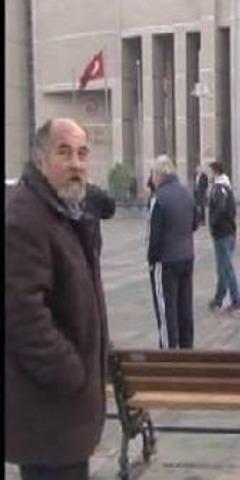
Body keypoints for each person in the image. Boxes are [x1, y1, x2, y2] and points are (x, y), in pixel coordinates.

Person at [5, 118, 109, 480]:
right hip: (47, 416)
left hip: (64, 420)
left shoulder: (65, 212)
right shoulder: (25, 218)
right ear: (41, 159)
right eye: (64, 152)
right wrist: (71, 372)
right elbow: (22, 314)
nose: (76, 164)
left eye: (82, 153)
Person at [147, 154, 197, 349]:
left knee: (166, 310)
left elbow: (153, 235)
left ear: (158, 175)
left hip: (165, 260)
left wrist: (151, 261)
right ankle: (187, 348)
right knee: (185, 307)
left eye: (153, 174)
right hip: (186, 256)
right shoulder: (187, 193)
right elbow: (195, 223)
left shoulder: (158, 198)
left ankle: (169, 352)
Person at [207, 161, 240, 314]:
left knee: (226, 267)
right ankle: (219, 298)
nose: (208, 174)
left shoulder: (220, 188)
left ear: (215, 172)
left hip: (223, 233)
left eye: (210, 171)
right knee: (222, 267)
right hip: (227, 232)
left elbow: (220, 208)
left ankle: (236, 299)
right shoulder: (225, 187)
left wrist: (213, 222)